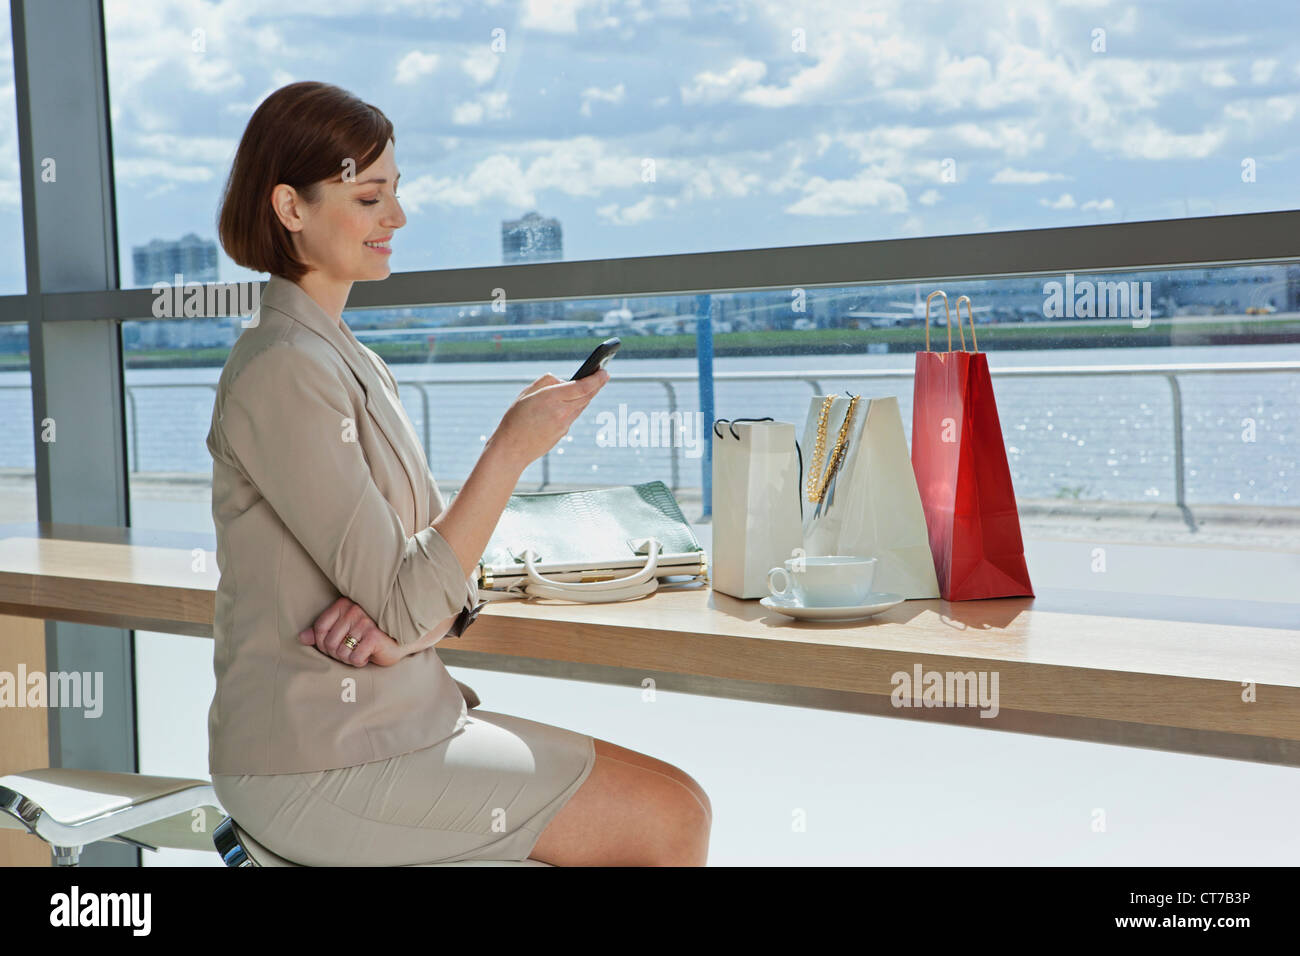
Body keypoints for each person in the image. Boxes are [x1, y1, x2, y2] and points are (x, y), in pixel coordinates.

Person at [205, 80, 710, 866]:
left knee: (679, 803)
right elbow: (418, 593)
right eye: (369, 197)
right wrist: (509, 450)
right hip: (317, 759)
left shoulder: (348, 359)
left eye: (395, 192)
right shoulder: (282, 368)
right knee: (668, 817)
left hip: (395, 719)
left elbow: (432, 578)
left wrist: (404, 616)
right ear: (290, 207)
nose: (397, 218)